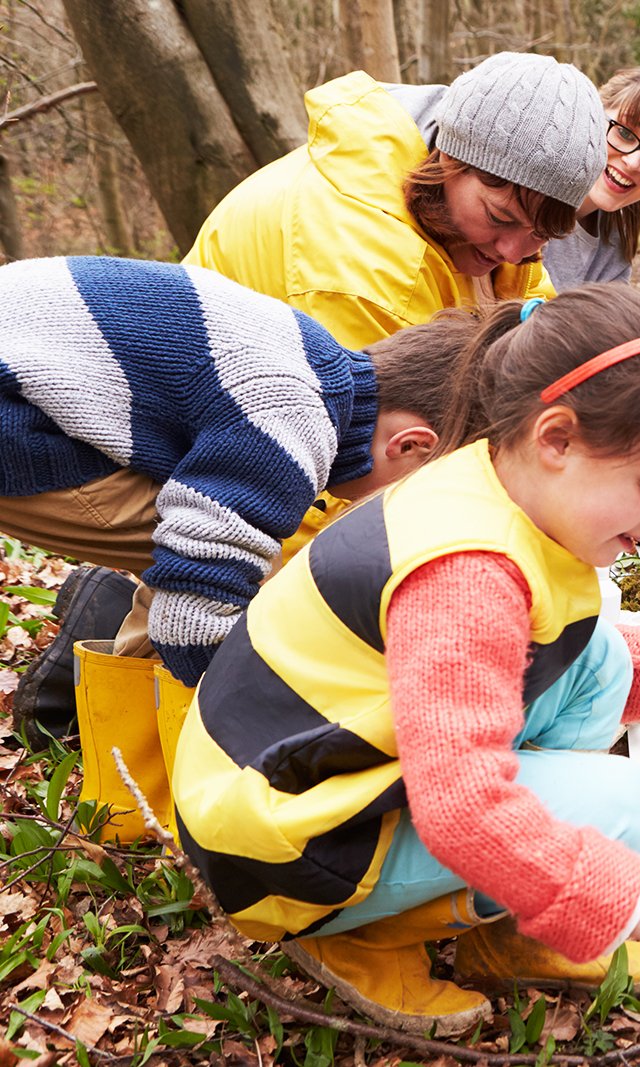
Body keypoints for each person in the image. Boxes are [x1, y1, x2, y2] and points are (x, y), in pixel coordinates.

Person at [172, 285, 640, 1035]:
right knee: (618, 801)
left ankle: (507, 906)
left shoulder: (496, 478)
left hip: (313, 764)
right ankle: (361, 933)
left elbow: (529, 655)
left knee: (606, 659)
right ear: (557, 438)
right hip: (282, 844)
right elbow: (461, 803)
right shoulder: (467, 573)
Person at [0, 256, 486, 841]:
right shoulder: (291, 423)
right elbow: (193, 620)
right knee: (228, 580)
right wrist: (275, 721)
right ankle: (194, 813)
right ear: (411, 446)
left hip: (28, 381)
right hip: (18, 420)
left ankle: (128, 805)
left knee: (206, 550)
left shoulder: (315, 362)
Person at [186, 51, 605, 350]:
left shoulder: (474, 229)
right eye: (499, 217)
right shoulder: (362, 262)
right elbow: (381, 450)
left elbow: (537, 332)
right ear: (449, 159)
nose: (514, 252)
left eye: (541, 233)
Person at [542, 67, 640, 290]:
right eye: (624, 133)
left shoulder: (613, 246)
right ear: (593, 113)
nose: (634, 162)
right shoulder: (520, 201)